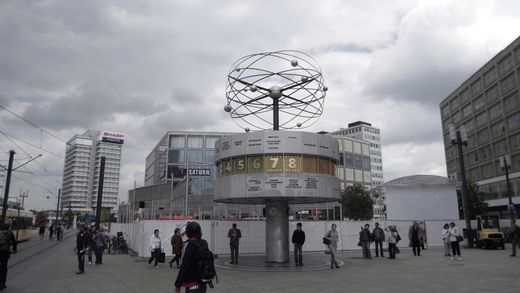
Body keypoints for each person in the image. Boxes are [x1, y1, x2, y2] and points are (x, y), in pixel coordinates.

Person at [175, 221, 208, 293]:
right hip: (203, 284)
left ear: (188, 232)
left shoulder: (189, 245)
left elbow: (184, 267)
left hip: (192, 285)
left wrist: (178, 285)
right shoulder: (204, 243)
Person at [0, 223, 17, 290]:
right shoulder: (10, 233)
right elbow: (14, 242)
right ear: (8, 228)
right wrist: (14, 249)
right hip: (5, 251)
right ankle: (2, 284)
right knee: (4, 267)